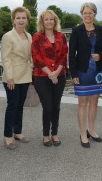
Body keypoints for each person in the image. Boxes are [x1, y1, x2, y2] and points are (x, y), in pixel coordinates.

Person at [69, 2, 102, 148]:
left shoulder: (101, 30)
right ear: (82, 14)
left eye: (90, 13)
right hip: (82, 71)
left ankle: (91, 130)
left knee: (94, 102)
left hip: (97, 72)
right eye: (85, 13)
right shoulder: (77, 31)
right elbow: (71, 54)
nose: (87, 15)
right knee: (82, 102)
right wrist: (73, 73)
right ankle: (83, 133)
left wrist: (101, 55)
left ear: (94, 14)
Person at [32, 10, 68, 147]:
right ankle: (46, 135)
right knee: (47, 107)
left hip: (60, 76)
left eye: (51, 19)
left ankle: (55, 133)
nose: (49, 22)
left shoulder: (61, 36)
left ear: (55, 21)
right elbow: (36, 57)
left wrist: (57, 72)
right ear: (42, 22)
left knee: (56, 107)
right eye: (46, 19)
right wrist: (50, 73)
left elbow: (65, 55)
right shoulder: (37, 37)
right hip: (41, 76)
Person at [1, 7, 33, 150]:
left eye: (23, 18)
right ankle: (8, 136)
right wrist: (10, 77)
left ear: (27, 20)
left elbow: (30, 55)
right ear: (13, 20)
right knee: (12, 106)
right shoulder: (8, 36)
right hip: (12, 76)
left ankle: (18, 132)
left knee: (20, 106)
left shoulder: (29, 36)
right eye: (18, 18)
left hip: (25, 75)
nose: (21, 20)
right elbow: (5, 59)